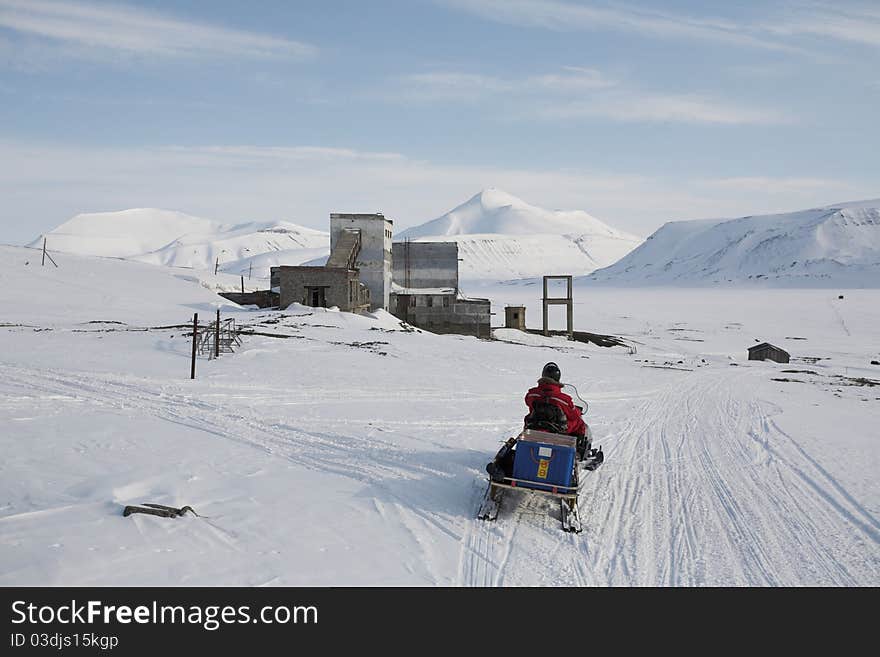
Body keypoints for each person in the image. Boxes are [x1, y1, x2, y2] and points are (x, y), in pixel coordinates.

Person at [486, 362, 589, 482]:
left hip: (534, 429)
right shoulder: (564, 400)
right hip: (558, 433)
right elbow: (574, 415)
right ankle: (578, 453)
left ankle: (503, 465)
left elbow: (529, 403)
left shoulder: (532, 393)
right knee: (579, 424)